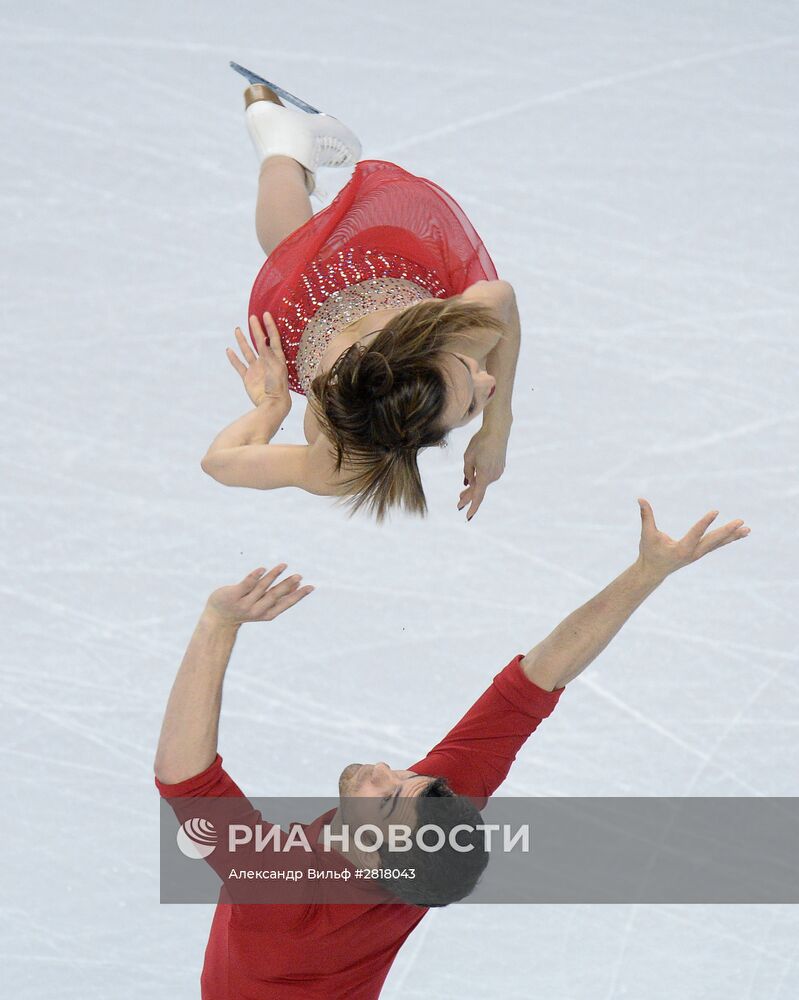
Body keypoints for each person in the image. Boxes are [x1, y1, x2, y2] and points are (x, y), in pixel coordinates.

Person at [154, 499, 749, 999]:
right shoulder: (430, 834)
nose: (381, 773)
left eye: (384, 801)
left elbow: (185, 779)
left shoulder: (287, 893)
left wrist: (218, 623)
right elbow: (534, 682)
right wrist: (647, 572)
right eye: (404, 779)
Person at [200, 78, 521, 522]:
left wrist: (496, 424)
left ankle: (285, 144)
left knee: (295, 248)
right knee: (290, 249)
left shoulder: (344, 461)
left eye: (471, 398)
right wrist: (273, 407)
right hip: (333, 300)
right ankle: (280, 145)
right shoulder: (339, 461)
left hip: (359, 287)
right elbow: (218, 462)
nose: (487, 383)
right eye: (472, 392)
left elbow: (500, 299)